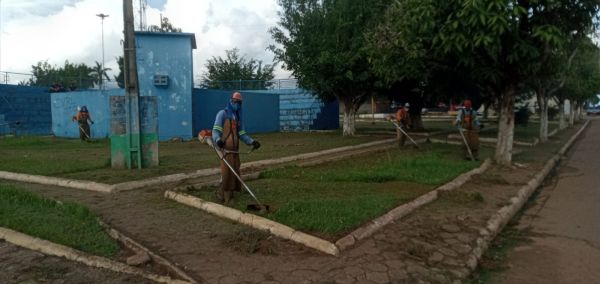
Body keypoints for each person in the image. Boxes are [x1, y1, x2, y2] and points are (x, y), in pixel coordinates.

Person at [212, 92, 261, 205]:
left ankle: (226, 193)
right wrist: (218, 140)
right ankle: (226, 198)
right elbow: (215, 131)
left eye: (239, 102)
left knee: (234, 171)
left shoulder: (238, 117)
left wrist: (252, 142)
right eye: (235, 101)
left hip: (235, 150)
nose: (237, 104)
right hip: (225, 149)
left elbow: (242, 134)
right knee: (227, 172)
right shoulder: (222, 114)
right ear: (231, 101)